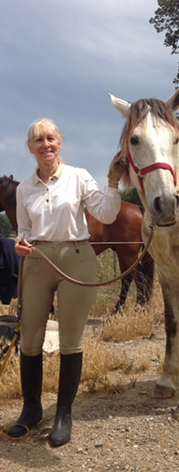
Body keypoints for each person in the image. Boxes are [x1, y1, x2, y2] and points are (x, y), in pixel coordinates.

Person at [6, 118, 124, 447]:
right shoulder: (25, 189)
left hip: (76, 257)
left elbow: (106, 214)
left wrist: (112, 183)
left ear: (60, 143)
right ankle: (31, 411)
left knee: (71, 341)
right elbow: (25, 230)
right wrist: (21, 243)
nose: (46, 144)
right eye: (38, 140)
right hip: (38, 261)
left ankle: (63, 414)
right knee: (30, 339)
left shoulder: (79, 177)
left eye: (51, 138)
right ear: (31, 148)